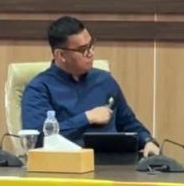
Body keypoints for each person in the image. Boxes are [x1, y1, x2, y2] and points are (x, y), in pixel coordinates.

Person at [21, 16, 160, 157]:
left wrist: (147, 141)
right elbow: (39, 139)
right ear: (61, 55)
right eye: (83, 50)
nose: (91, 53)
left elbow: (128, 122)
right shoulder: (39, 89)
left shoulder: (104, 80)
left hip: (114, 162)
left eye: (91, 45)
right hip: (67, 164)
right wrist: (86, 118)